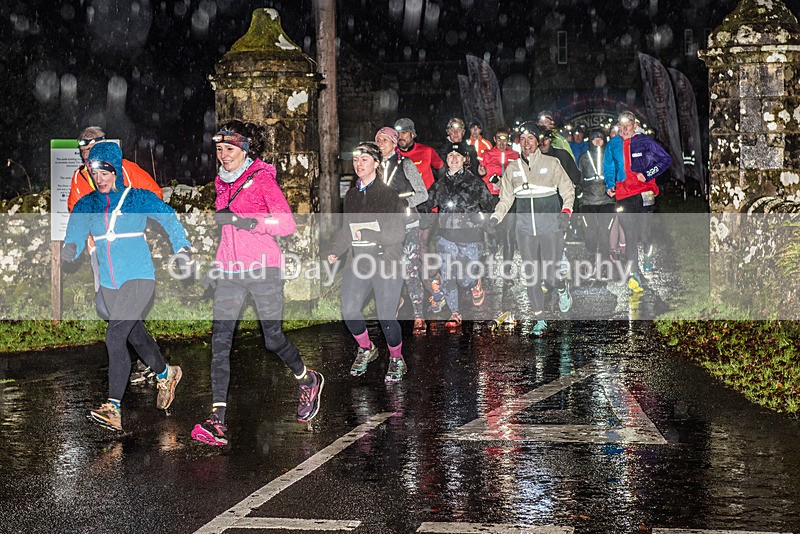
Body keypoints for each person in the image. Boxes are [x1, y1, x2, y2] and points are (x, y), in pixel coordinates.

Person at [191, 120, 323, 447]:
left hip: (264, 269)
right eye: (219, 149)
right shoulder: (221, 182)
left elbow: (286, 224)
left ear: (245, 149)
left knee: (273, 339)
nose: (223, 155)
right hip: (231, 272)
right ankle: (217, 420)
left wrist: (248, 221)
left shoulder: (262, 180)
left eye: (229, 149)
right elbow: (227, 233)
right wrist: (217, 266)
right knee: (220, 341)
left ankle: (307, 379)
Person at [61, 141, 189, 432]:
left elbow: (168, 217)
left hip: (138, 277)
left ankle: (113, 407)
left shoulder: (136, 198)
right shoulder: (87, 205)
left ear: (116, 170)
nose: (100, 179)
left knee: (115, 335)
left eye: (105, 172)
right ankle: (166, 373)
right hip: (110, 283)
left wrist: (181, 247)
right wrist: (71, 249)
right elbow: (75, 236)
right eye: (95, 173)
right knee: (135, 335)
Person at [68, 126, 164, 386]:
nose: (87, 156)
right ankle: (152, 361)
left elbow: (155, 194)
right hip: (99, 251)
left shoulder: (126, 169)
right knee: (107, 308)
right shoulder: (79, 177)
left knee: (121, 314)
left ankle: (142, 364)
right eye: (84, 152)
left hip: (128, 250)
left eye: (92, 150)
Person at [328, 142, 408, 381]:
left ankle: (397, 359)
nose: (358, 164)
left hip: (386, 262)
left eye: (364, 160)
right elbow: (347, 229)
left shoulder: (389, 195)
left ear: (376, 163)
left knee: (386, 316)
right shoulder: (351, 195)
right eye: (355, 160)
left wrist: (370, 234)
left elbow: (398, 234)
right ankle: (366, 348)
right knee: (349, 310)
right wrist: (337, 250)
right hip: (358, 262)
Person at [486, 122, 575, 337]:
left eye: (531, 138)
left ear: (538, 141)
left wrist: (566, 211)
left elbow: (568, 189)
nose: (527, 143)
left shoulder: (551, 163)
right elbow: (505, 199)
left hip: (550, 227)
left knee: (550, 276)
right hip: (524, 230)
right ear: (519, 143)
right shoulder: (513, 169)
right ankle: (539, 318)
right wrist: (495, 218)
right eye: (523, 139)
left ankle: (561, 287)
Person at [420, 142, 497, 328]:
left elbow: (491, 206)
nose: (454, 159)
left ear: (464, 159)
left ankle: (475, 282)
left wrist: (482, 219)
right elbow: (426, 203)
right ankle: (454, 312)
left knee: (465, 280)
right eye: (450, 156)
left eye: (458, 156)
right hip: (445, 238)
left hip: (471, 238)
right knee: (448, 277)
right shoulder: (440, 185)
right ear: (446, 159)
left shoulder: (475, 183)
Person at [603, 111, 672, 292]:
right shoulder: (613, 144)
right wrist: (610, 184)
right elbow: (608, 166)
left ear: (635, 125)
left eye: (628, 125)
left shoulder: (645, 141)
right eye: (621, 125)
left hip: (645, 192)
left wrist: (648, 173)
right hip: (624, 194)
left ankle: (647, 253)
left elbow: (665, 160)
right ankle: (634, 274)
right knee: (630, 233)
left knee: (643, 233)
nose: (625, 129)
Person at [374, 126, 429, 334]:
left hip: (407, 224)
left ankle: (418, 314)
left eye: (384, 140)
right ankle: (394, 303)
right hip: (384, 227)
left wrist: (402, 204)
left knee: (410, 270)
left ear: (394, 143)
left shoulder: (405, 164)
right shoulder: (373, 166)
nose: (380, 144)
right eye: (378, 140)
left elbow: (422, 193)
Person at [478, 125, 520, 273]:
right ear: (494, 139)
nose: (502, 143)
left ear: (508, 140)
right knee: (491, 228)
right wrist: (482, 173)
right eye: (499, 139)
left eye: (505, 139)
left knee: (509, 231)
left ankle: (507, 267)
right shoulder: (487, 154)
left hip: (508, 196)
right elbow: (481, 172)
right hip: (491, 195)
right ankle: (492, 252)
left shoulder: (515, 155)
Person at [577, 130, 615, 269]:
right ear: (590, 141)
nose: (597, 142)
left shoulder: (609, 157)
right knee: (590, 234)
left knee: (604, 233)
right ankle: (592, 255)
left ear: (605, 141)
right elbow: (578, 178)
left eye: (600, 139)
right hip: (587, 201)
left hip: (607, 200)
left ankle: (605, 260)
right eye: (594, 139)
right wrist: (578, 193)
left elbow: (617, 174)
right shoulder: (584, 157)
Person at [394, 117, 444, 190]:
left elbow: (441, 167)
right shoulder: (392, 153)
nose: (400, 136)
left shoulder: (427, 151)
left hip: (427, 193)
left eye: (404, 133)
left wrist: (439, 186)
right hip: (403, 194)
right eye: (397, 133)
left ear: (412, 135)